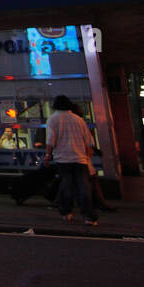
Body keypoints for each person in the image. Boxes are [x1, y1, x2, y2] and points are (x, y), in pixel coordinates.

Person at [44, 95, 97, 225]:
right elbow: (89, 141)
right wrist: (88, 157)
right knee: (83, 187)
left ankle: (66, 212)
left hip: (62, 159)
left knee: (66, 186)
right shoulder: (78, 120)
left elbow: (51, 140)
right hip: (80, 159)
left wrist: (47, 156)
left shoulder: (53, 119)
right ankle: (88, 216)